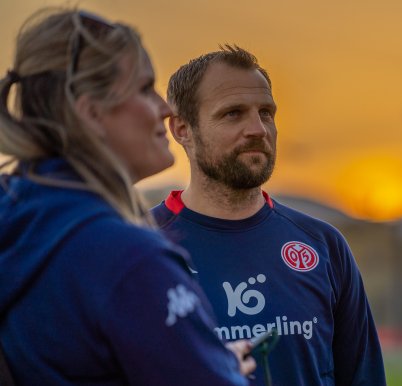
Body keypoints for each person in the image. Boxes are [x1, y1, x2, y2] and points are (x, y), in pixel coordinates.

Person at [0, 9, 255, 385]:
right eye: (143, 88)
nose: (165, 109)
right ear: (90, 114)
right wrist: (219, 368)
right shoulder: (129, 259)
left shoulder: (18, 223)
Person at [151, 45, 387, 386]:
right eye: (233, 113)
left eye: (266, 113)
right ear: (182, 129)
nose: (258, 129)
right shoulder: (140, 244)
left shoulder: (323, 245)